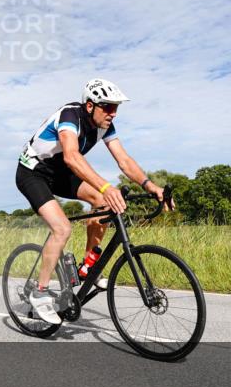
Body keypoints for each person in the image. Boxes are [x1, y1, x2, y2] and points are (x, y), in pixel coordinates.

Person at [16, 78, 169, 324]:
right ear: (90, 106)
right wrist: (106, 186)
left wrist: (150, 186)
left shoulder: (105, 126)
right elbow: (72, 157)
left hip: (60, 175)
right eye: (108, 107)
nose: (113, 113)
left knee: (103, 202)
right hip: (33, 173)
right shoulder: (70, 116)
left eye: (116, 108)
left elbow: (124, 160)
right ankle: (40, 292)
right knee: (62, 228)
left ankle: (90, 267)